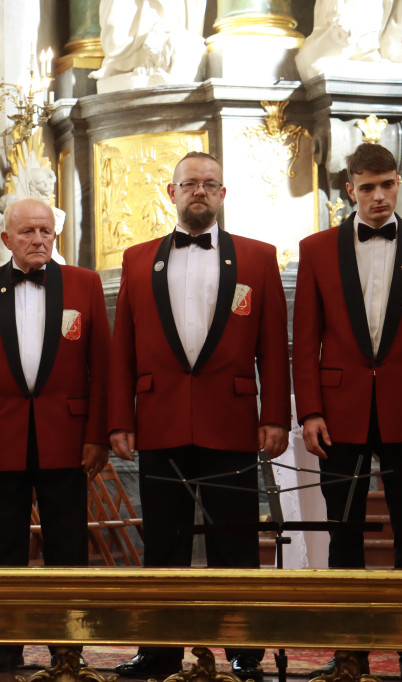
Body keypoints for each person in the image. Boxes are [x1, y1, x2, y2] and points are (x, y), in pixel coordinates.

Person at [108, 151, 290, 681]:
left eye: (211, 184)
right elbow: (124, 350)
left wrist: (274, 415)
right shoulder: (139, 259)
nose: (200, 192)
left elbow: (272, 347)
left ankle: (243, 648)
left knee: (234, 539)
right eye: (190, 184)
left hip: (230, 419)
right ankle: (159, 651)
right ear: (171, 193)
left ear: (223, 195)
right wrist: (120, 419)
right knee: (163, 541)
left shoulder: (257, 258)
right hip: (159, 420)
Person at [293, 143, 402, 682]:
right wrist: (310, 410)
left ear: (398, 184)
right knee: (345, 532)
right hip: (338, 413)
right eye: (368, 187)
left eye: (387, 185)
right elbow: (305, 340)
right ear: (349, 190)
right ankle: (348, 652)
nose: (379, 196)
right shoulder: (315, 249)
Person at [0, 197, 111, 672]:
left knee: (68, 548)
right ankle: (5, 646)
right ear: (7, 239)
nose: (39, 239)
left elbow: (100, 368)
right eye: (27, 232)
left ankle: (69, 647)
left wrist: (97, 434)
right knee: (2, 547)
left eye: (45, 231)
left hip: (67, 438)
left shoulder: (84, 284)